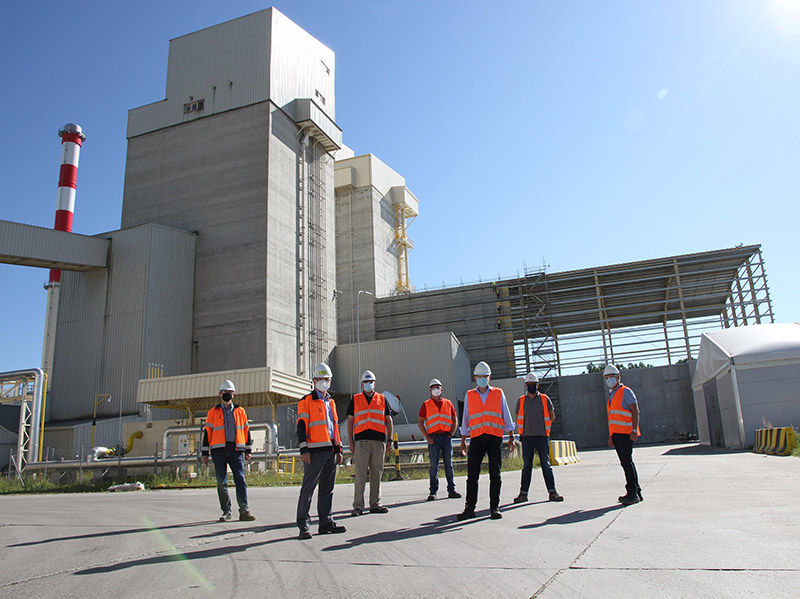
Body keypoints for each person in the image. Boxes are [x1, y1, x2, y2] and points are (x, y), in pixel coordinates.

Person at [457, 362, 515, 520]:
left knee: (495, 474)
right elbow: (466, 419)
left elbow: (506, 415)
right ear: (475, 377)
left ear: (490, 377)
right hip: (476, 438)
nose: (482, 379)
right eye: (479, 376)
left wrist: (511, 437)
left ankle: (494, 507)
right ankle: (470, 508)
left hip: (494, 437)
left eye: (485, 376)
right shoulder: (470, 395)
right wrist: (463, 440)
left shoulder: (498, 393)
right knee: (472, 475)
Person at [295, 363, 346, 539]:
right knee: (308, 488)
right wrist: (303, 449)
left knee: (327, 488)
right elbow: (301, 425)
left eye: (327, 379)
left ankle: (326, 522)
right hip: (314, 451)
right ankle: (303, 524)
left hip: (330, 451)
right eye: (320, 379)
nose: (324, 382)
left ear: (330, 380)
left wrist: (338, 449)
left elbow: (334, 427)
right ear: (314, 380)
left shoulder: (331, 402)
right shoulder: (306, 401)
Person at [201, 380, 256, 522]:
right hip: (218, 450)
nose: (228, 395)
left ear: (233, 395)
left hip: (236, 449)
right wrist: (204, 454)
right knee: (221, 482)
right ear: (220, 394)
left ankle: (244, 510)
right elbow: (207, 433)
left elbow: (246, 430)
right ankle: (226, 511)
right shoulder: (213, 412)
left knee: (240, 479)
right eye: (225, 393)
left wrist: (248, 449)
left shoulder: (240, 411)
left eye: (230, 393)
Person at [347, 370, 393, 516]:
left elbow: (389, 420)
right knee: (360, 474)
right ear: (362, 384)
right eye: (366, 382)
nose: (368, 384)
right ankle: (358, 506)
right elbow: (350, 421)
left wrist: (390, 441)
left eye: (371, 382)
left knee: (376, 473)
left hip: (379, 441)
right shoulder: (355, 399)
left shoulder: (382, 399)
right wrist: (351, 442)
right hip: (361, 441)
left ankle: (375, 504)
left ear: (375, 383)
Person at [513, 372, 564, 504]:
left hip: (542, 437)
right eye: (529, 384)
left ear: (537, 385)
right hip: (527, 438)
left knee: (546, 465)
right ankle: (523, 494)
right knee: (527, 466)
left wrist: (542, 427)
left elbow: (552, 416)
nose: (531, 386)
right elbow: (518, 417)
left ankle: (552, 492)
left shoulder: (545, 399)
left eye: (534, 384)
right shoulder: (521, 401)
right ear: (526, 385)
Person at [604, 364, 642, 506]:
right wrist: (611, 436)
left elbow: (635, 410)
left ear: (618, 376)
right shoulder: (612, 394)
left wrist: (634, 430)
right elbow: (613, 418)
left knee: (627, 463)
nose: (609, 380)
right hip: (617, 435)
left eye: (612, 377)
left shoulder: (625, 391)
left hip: (626, 433)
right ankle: (636, 491)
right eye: (607, 377)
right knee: (626, 463)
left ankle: (632, 493)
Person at [418, 378, 462, 501]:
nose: (436, 389)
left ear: (441, 389)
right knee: (434, 466)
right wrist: (428, 438)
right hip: (433, 439)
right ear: (430, 390)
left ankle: (451, 490)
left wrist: (451, 433)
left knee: (449, 465)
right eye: (433, 387)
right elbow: (420, 423)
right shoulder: (426, 404)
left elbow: (455, 420)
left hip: (446, 437)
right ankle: (433, 492)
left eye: (438, 387)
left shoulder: (448, 403)